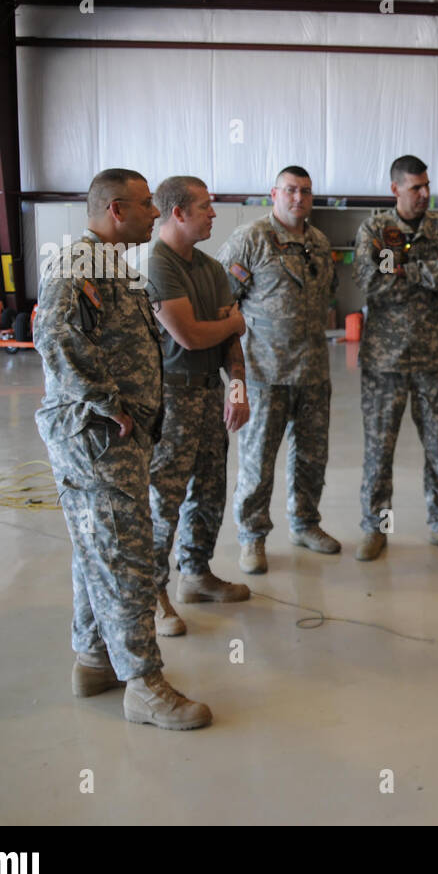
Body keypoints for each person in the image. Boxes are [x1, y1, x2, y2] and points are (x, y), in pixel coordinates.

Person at [35, 167, 211, 730]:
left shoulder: (113, 266)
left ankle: (94, 659)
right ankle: (144, 684)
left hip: (116, 437)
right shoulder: (76, 265)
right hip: (97, 439)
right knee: (126, 556)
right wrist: (109, 402)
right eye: (144, 205)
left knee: (99, 547)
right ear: (115, 209)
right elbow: (54, 336)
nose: (154, 214)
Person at [352, 155, 438, 561]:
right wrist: (428, 272)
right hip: (385, 361)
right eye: (415, 188)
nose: (424, 194)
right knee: (380, 449)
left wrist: (406, 269)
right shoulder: (375, 229)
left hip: (435, 357)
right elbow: (372, 285)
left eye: (426, 186)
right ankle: (377, 528)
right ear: (395, 190)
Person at [217, 166, 338, 574]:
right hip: (264, 373)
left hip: (313, 372)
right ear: (274, 193)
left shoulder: (320, 243)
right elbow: (222, 307)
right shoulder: (250, 240)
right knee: (258, 463)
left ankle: (306, 524)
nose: (298, 198)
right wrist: (235, 385)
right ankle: (252, 538)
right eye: (290, 190)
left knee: (312, 458)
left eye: (305, 191)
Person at [146, 176, 251, 637]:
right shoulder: (158, 265)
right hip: (172, 397)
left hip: (211, 392)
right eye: (205, 207)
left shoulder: (210, 267)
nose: (213, 215)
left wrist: (237, 388)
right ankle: (153, 592)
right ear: (179, 214)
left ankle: (196, 574)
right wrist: (231, 324)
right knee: (164, 498)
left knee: (209, 489)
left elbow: (230, 336)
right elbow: (187, 336)